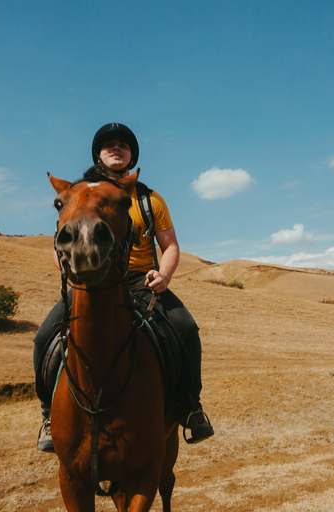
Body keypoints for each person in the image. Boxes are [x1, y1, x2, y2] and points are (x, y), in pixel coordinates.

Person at [33, 123, 214, 452]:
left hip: (140, 281)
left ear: (132, 156)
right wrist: (68, 266)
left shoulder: (149, 199)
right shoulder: (79, 194)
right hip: (92, 282)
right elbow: (60, 240)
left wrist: (165, 276)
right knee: (45, 336)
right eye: (109, 145)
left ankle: (190, 408)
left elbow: (170, 245)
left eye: (123, 145)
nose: (116, 148)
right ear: (98, 154)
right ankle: (48, 415)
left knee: (186, 329)